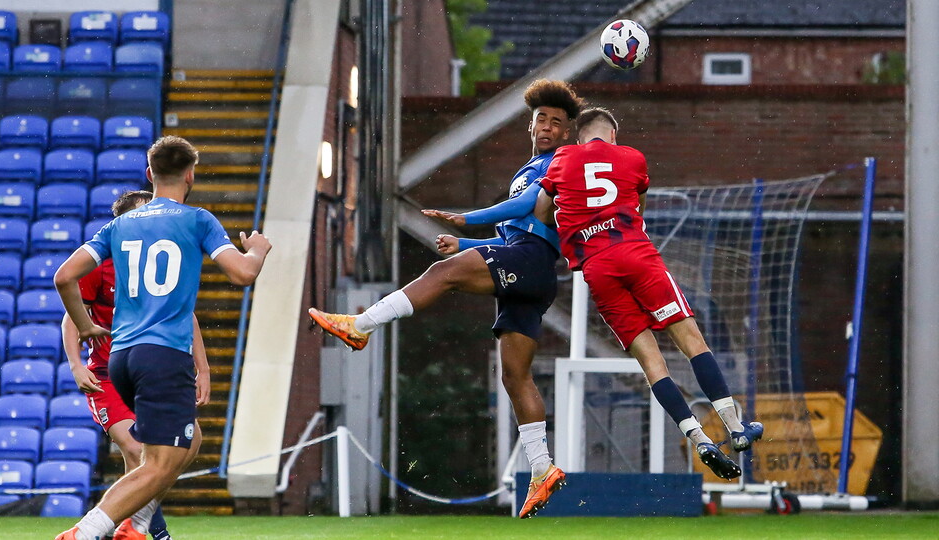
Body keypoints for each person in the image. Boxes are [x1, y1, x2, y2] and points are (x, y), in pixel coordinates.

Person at [309, 79, 583, 518]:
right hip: (529, 266)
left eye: (556, 122)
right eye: (541, 119)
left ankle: (359, 327)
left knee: (443, 275)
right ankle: (542, 468)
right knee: (515, 376)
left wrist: (465, 221)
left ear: (568, 132)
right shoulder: (529, 165)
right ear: (530, 125)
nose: (547, 127)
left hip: (532, 263)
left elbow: (526, 207)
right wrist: (470, 244)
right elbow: (519, 226)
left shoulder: (559, 162)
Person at [55, 136, 272, 540]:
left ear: (150, 173)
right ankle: (87, 533)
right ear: (191, 174)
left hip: (121, 357)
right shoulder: (197, 219)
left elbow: (63, 276)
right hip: (163, 354)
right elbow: (243, 274)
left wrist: (84, 326)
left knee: (185, 442)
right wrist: (257, 250)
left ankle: (135, 528)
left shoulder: (118, 225)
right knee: (156, 463)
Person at [534, 107, 764, 479]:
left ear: (579, 138)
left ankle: (698, 438)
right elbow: (637, 207)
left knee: (652, 365)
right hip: (636, 255)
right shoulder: (632, 157)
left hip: (597, 269)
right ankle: (735, 427)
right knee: (692, 341)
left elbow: (543, 210)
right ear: (613, 135)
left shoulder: (562, 159)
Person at [60, 190, 208, 540]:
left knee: (184, 443)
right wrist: (76, 366)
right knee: (138, 450)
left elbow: (187, 316)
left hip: (152, 368)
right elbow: (71, 317)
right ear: (125, 221)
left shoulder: (158, 261)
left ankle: (134, 528)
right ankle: (143, 530)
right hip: (108, 374)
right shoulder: (102, 265)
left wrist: (203, 368)